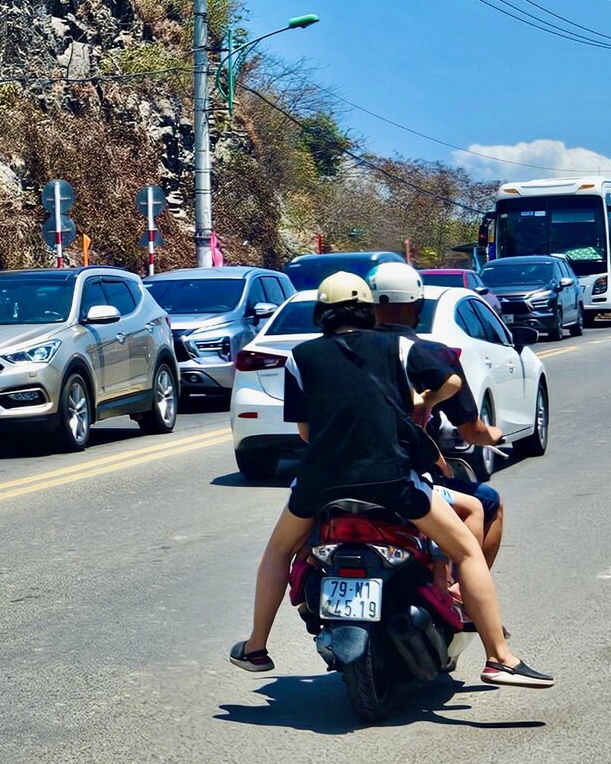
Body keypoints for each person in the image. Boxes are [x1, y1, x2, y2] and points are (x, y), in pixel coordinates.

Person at [229, 272, 551, 688]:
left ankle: (256, 647)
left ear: (321, 314)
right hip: (392, 481)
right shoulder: (400, 347)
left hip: (319, 483)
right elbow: (450, 379)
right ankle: (499, 658)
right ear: (368, 310)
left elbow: (306, 434)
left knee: (278, 551)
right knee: (467, 550)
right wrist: (423, 400)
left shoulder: (300, 357)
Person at [367, 261, 505, 569]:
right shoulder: (428, 355)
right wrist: (493, 434)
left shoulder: (344, 350)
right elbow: (471, 431)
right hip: (403, 477)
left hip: (333, 477)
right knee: (486, 504)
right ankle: (463, 597)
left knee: (285, 548)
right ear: (416, 306)